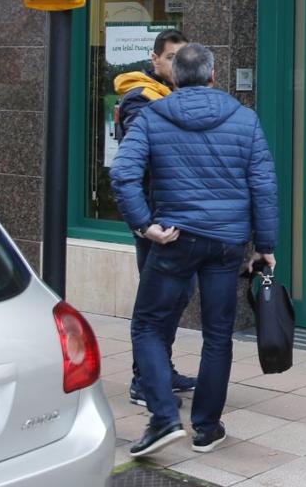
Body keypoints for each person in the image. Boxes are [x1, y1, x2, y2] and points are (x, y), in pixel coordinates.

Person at [111, 44, 278, 459]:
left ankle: (164, 417)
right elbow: (264, 186)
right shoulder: (244, 118)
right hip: (227, 243)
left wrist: (144, 224)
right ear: (212, 75)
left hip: (175, 238)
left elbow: (123, 174)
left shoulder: (152, 116)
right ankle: (206, 428)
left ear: (174, 77)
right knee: (218, 336)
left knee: (147, 326)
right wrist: (266, 246)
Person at [113, 28, 197, 409]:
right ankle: (143, 381)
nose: (177, 64)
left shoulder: (172, 96)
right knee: (156, 301)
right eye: (171, 57)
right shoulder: (141, 100)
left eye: (183, 58)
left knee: (176, 296)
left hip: (173, 214)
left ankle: (160, 368)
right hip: (154, 217)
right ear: (156, 60)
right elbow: (140, 162)